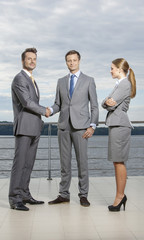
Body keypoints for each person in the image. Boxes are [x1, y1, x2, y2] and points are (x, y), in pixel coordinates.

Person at [48, 50, 99, 207]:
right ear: (66, 62)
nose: (72, 63)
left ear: (79, 61)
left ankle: (83, 195)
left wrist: (92, 125)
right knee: (65, 163)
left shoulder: (89, 80)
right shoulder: (61, 81)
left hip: (81, 127)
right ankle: (64, 194)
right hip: (63, 126)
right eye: (69, 60)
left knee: (82, 162)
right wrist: (50, 110)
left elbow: (95, 106)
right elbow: (58, 103)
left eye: (74, 60)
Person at [9, 47, 50, 211]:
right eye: (29, 58)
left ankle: (25, 194)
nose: (32, 61)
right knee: (20, 164)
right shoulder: (19, 79)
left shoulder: (32, 79)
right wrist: (44, 111)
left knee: (29, 163)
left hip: (34, 127)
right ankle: (14, 198)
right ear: (22, 61)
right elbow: (26, 102)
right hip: (24, 127)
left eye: (34, 59)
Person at [102, 58, 136, 212]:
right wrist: (107, 102)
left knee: (119, 162)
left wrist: (108, 103)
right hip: (116, 125)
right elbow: (105, 102)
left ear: (119, 69)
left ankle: (120, 196)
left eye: (112, 68)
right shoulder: (120, 84)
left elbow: (112, 103)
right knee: (117, 162)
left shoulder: (124, 85)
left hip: (120, 125)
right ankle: (120, 196)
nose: (110, 71)